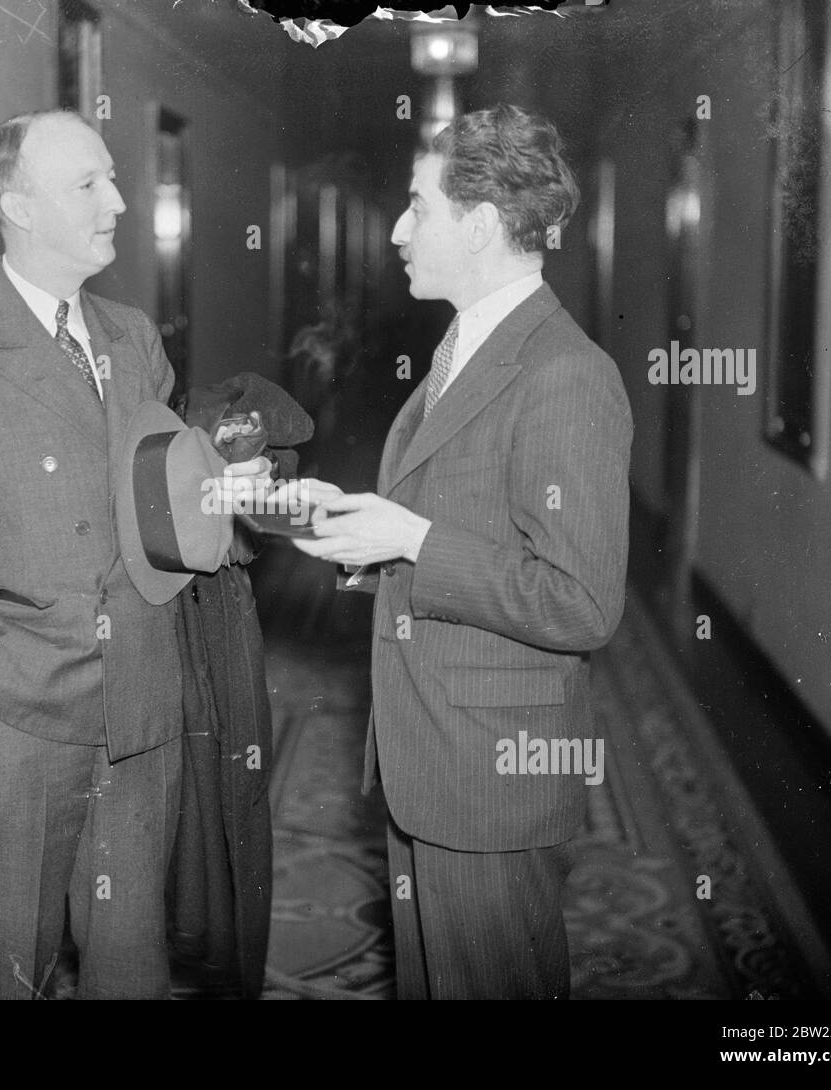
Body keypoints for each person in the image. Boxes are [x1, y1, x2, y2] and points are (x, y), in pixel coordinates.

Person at [0, 110, 269, 999]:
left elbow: (159, 512)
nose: (118, 200)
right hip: (18, 716)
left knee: (131, 964)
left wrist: (228, 490)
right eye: (89, 184)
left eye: (113, 178)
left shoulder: (133, 338)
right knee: (12, 966)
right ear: (19, 207)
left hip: (142, 706)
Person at [281, 105, 633, 999]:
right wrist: (361, 528)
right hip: (433, 754)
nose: (397, 230)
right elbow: (462, 521)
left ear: (477, 225)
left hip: (490, 774)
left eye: (416, 208)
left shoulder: (566, 375)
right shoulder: (466, 346)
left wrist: (416, 539)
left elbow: (581, 602)